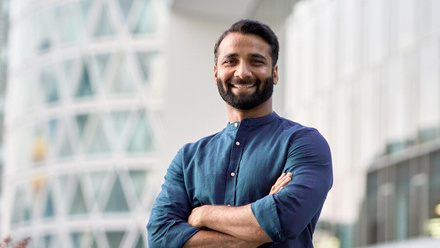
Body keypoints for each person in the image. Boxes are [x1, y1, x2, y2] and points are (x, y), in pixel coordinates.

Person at [147, 19, 333, 248]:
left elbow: (285, 218)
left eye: (256, 62)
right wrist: (258, 224)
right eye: (230, 61)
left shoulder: (304, 143)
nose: (242, 72)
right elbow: (160, 238)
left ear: (274, 74)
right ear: (216, 73)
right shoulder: (188, 158)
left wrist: (203, 215)